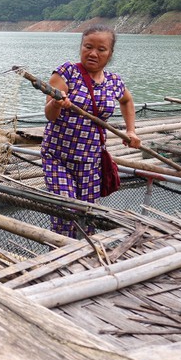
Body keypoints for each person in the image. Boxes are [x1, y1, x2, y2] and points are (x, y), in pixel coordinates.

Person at [40, 25, 141, 238]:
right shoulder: (67, 72)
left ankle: (85, 257)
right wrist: (58, 103)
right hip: (59, 157)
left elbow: (127, 100)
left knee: (87, 215)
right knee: (66, 210)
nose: (93, 53)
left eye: (101, 49)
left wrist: (131, 131)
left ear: (110, 54)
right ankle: (60, 257)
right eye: (88, 47)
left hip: (90, 160)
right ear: (81, 47)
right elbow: (49, 115)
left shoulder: (114, 82)